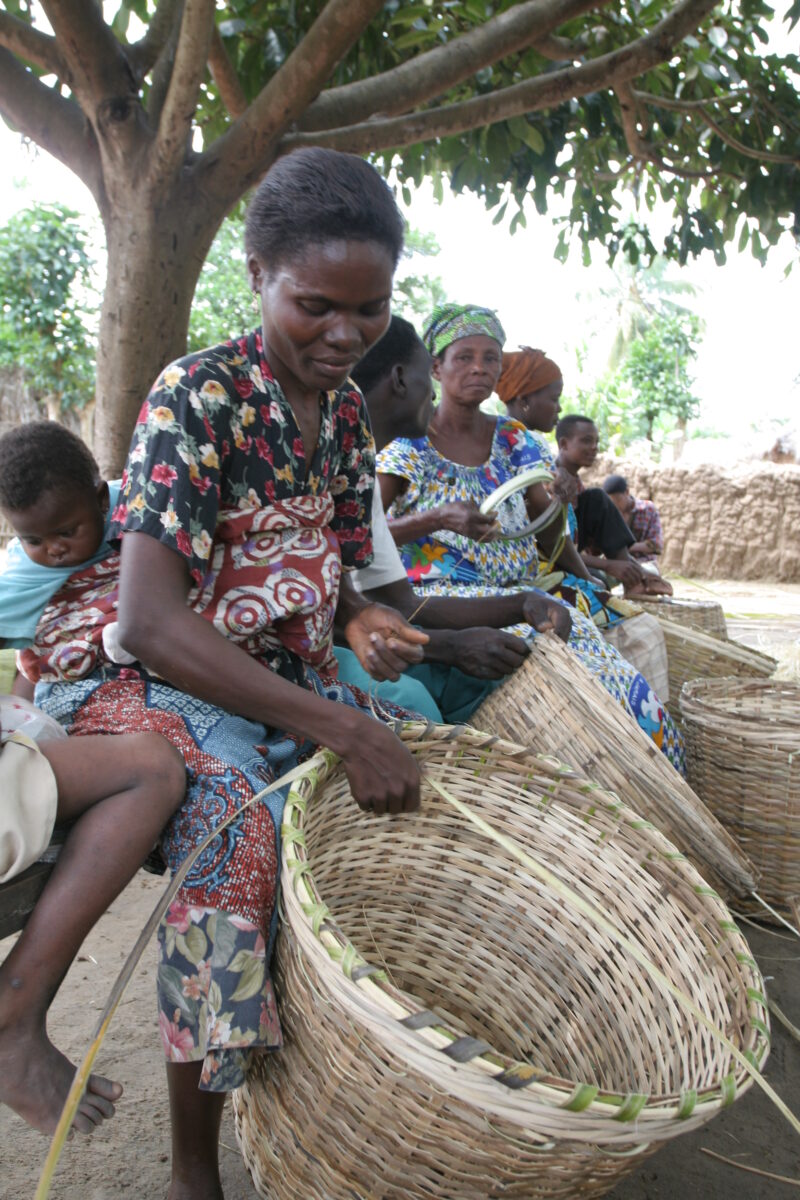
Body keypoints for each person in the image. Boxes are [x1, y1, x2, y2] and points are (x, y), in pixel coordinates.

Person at [27, 148, 432, 1200]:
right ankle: (192, 1168)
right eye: (315, 306)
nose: (344, 334)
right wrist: (340, 726)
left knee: (426, 774)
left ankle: (359, 1075)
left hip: (274, 681)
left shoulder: (346, 416)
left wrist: (363, 620)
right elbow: (150, 622)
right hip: (144, 685)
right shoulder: (195, 398)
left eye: (370, 309)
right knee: (237, 835)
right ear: (257, 275)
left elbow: (334, 575)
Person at [377, 303, 683, 770]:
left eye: (490, 358)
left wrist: (558, 498)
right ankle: (595, 768)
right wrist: (437, 519)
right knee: (551, 652)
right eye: (464, 357)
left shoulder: (515, 439)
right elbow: (365, 534)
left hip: (522, 590)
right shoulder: (410, 443)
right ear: (436, 367)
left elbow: (546, 531)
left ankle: (655, 768)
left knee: (603, 656)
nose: (479, 368)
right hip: (443, 597)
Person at [0, 423, 188, 1134]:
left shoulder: (142, 519)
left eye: (67, 531)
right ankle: (14, 1014)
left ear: (103, 501)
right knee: (151, 768)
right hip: (73, 703)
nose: (52, 549)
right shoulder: (20, 581)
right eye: (34, 539)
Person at [333, 316, 571, 722]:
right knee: (415, 705)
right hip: (303, 654)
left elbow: (400, 603)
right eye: (432, 371)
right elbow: (321, 618)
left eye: (490, 358)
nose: (433, 392)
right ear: (403, 379)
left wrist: (523, 602)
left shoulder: (357, 473)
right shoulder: (349, 468)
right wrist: (450, 647)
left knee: (492, 681)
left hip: (390, 624)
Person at [555, 414, 672, 596]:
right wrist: (608, 565)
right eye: (586, 441)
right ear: (564, 444)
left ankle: (634, 580)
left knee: (596, 497)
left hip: (574, 555)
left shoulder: (578, 487)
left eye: (596, 442)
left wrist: (638, 569)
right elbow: (554, 549)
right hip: (550, 559)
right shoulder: (551, 481)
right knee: (598, 583)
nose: (594, 447)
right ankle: (634, 579)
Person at [603, 473, 665, 567]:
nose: (615, 505)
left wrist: (625, 548)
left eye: (618, 500)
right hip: (616, 564)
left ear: (627, 492)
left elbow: (656, 545)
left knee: (648, 572)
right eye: (611, 502)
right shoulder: (608, 513)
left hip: (644, 563)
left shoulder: (648, 509)